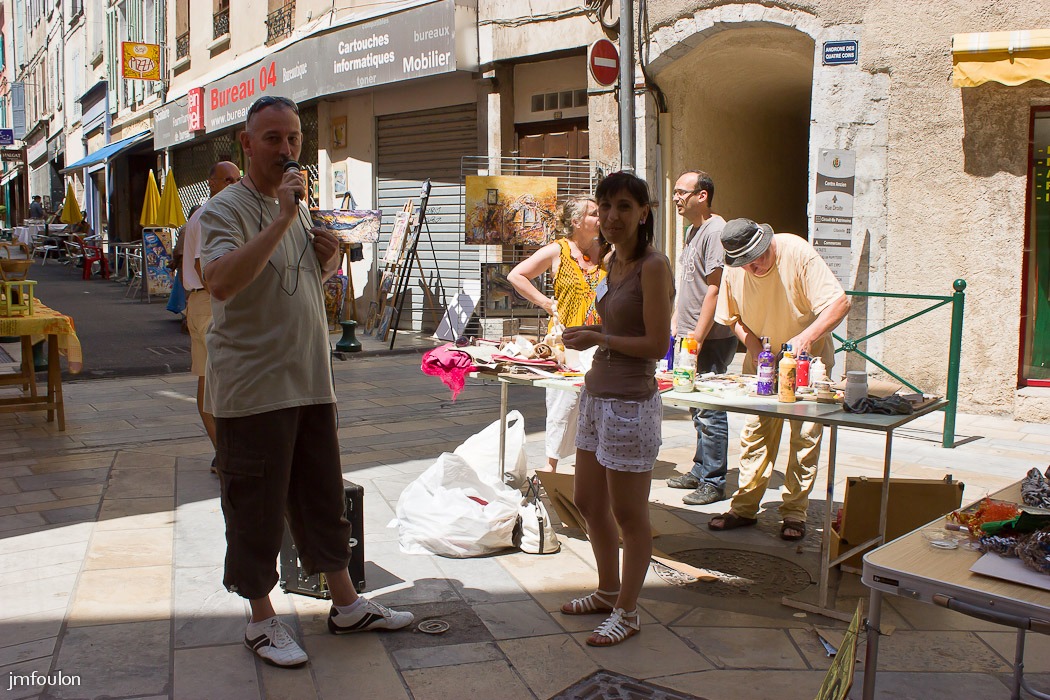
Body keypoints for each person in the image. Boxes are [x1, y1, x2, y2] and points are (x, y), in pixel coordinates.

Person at [200, 95, 413, 669]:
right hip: (253, 390)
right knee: (256, 509)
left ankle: (345, 605)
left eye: (293, 138)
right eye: (272, 138)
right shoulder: (224, 211)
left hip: (310, 382)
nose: (286, 150)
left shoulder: (294, 210)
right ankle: (261, 620)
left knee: (321, 498)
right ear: (245, 144)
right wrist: (284, 222)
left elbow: (291, 292)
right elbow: (221, 282)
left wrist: (322, 261)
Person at [561, 171, 674, 647]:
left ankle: (628, 612)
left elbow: (656, 345)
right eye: (604, 206)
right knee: (588, 501)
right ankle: (608, 590)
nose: (611, 217)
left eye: (624, 207)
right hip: (595, 397)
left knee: (631, 515)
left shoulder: (654, 265)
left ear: (644, 213)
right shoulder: (610, 262)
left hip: (630, 404)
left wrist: (597, 337)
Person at [708, 219, 850, 541]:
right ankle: (743, 507)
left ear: (768, 242)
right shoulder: (736, 267)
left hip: (805, 363)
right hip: (764, 363)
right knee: (757, 433)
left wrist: (807, 337)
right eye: (744, 263)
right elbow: (733, 318)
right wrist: (755, 346)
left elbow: (839, 302)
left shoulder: (797, 252)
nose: (753, 267)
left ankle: (795, 512)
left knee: (805, 437)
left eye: (757, 258)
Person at [508, 196, 605, 472]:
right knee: (563, 404)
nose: (600, 218)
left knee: (595, 404)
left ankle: (592, 464)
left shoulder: (607, 251)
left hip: (599, 339)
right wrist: (547, 304)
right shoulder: (557, 251)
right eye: (593, 213)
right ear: (576, 222)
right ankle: (551, 465)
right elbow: (517, 275)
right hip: (567, 341)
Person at [665, 170, 737, 506]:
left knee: (710, 408)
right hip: (691, 333)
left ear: (702, 195)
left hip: (710, 336)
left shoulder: (716, 230)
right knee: (696, 406)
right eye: (676, 193)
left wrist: (697, 335)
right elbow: (687, 283)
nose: (677, 198)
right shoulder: (693, 230)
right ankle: (699, 468)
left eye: (682, 192)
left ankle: (713, 480)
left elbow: (714, 288)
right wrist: (676, 320)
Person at [182, 161, 241, 472]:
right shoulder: (209, 215)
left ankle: (224, 453)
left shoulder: (211, 213)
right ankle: (226, 453)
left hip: (203, 303)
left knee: (211, 383)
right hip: (209, 303)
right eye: (226, 179)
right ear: (212, 183)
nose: (233, 184)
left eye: (237, 179)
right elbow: (204, 270)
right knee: (217, 385)